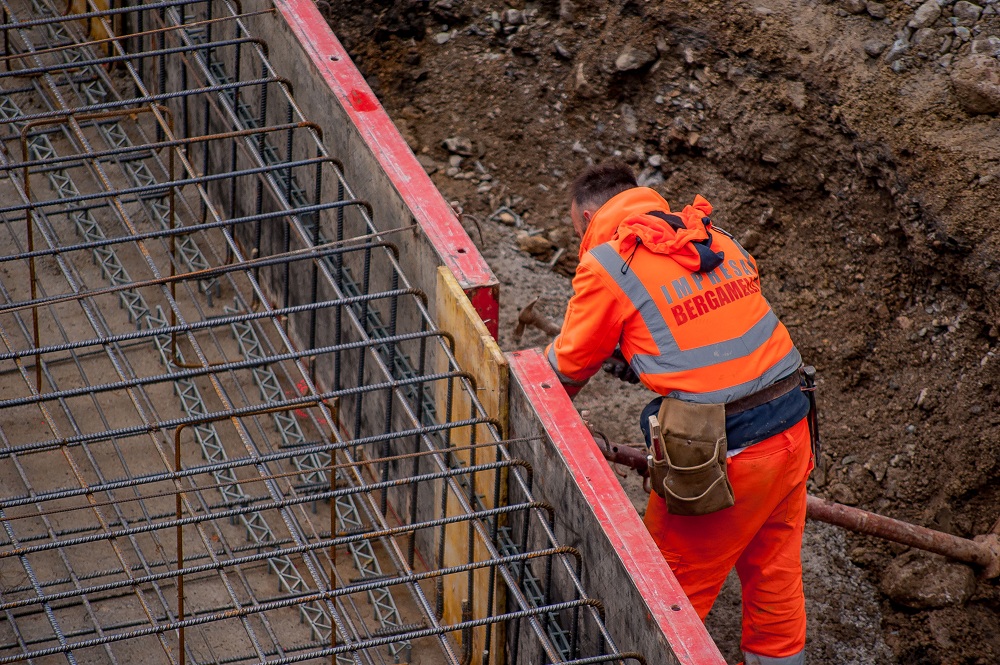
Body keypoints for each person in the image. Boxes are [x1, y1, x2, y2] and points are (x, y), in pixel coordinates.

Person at [545, 161, 813, 665]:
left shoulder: (611, 261)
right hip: (794, 423)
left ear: (585, 219)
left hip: (724, 452)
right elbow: (712, 325)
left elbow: (566, 369)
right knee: (774, 572)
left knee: (667, 596)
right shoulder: (713, 236)